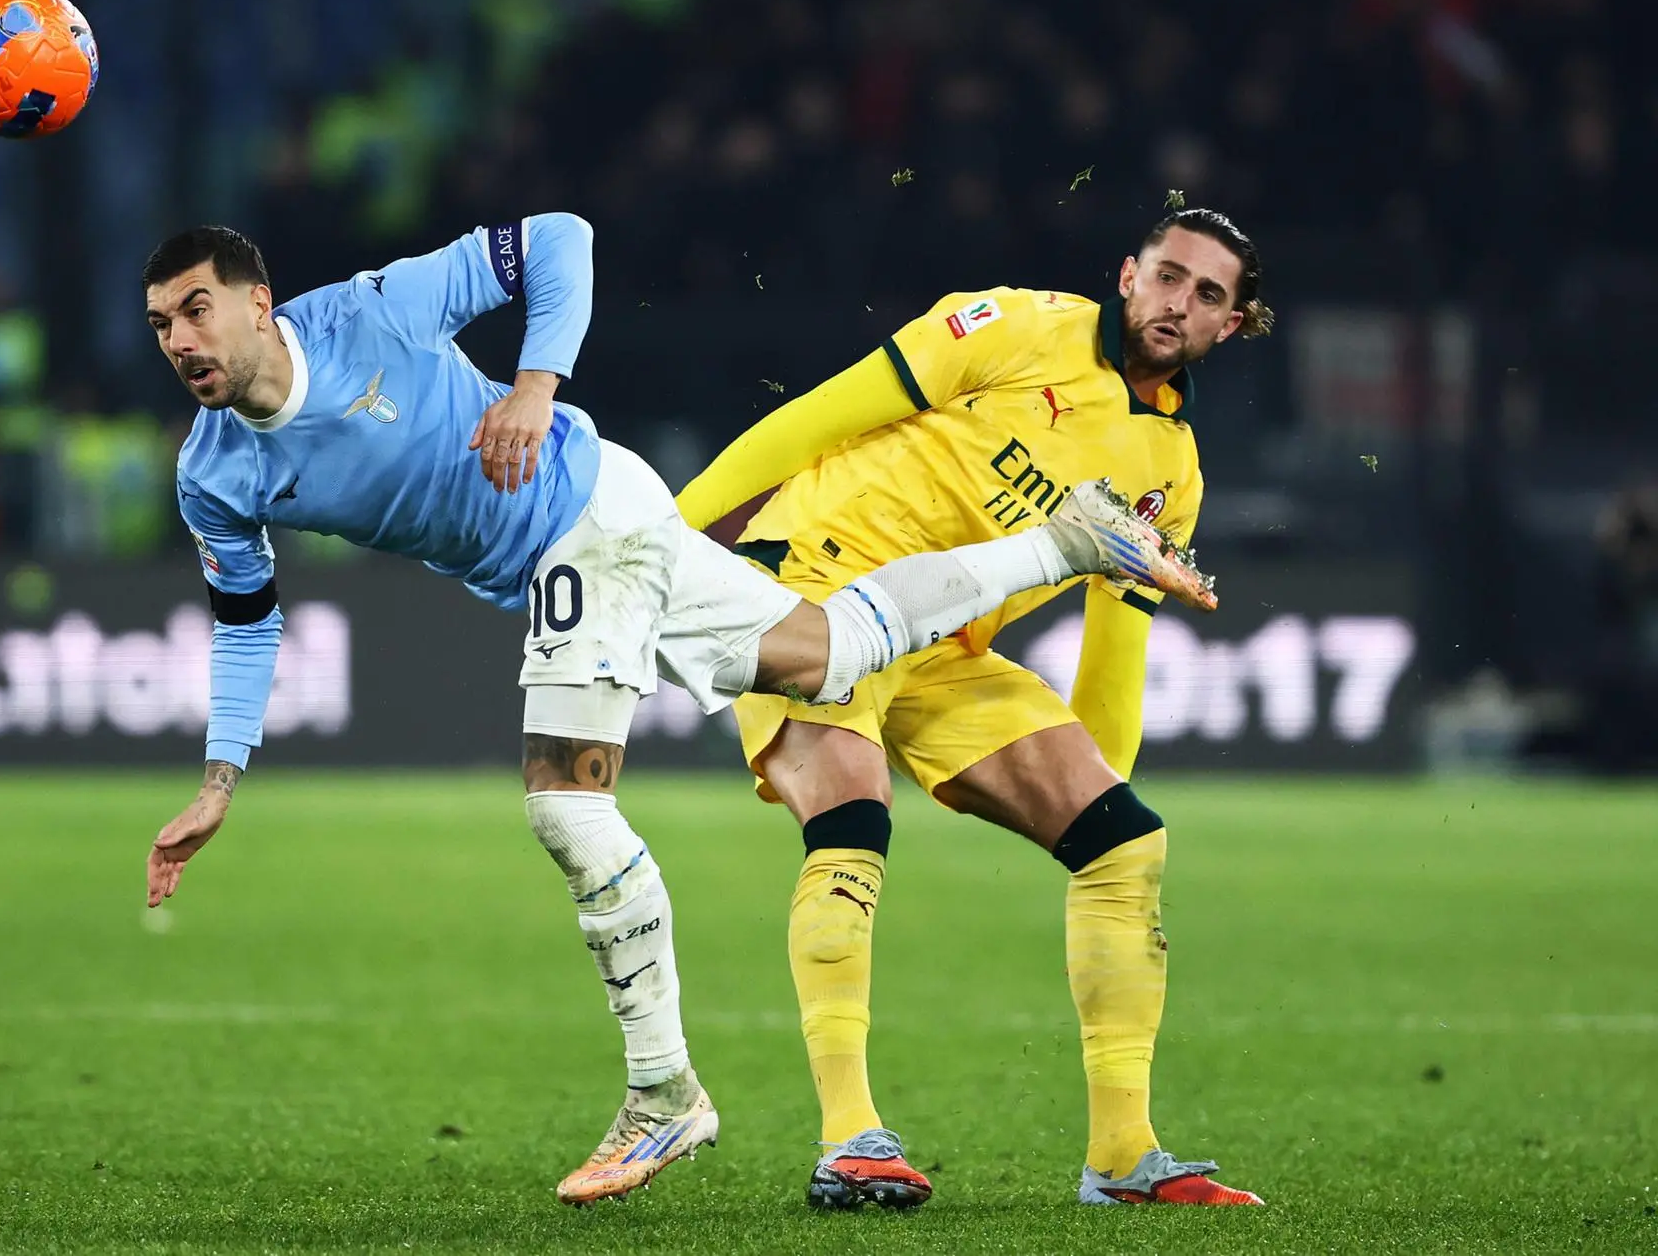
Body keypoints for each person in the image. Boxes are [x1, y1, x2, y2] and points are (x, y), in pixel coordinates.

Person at [135, 215, 1214, 1205]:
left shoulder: (369, 312)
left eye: (196, 309)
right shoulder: (212, 474)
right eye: (158, 325)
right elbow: (245, 620)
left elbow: (557, 238)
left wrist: (534, 384)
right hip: (621, 530)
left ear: (258, 303)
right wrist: (219, 776)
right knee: (831, 648)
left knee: (565, 804)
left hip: (587, 518)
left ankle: (663, 1096)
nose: (180, 340)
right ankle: (1067, 542)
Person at [674, 209, 1272, 1209]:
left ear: (1233, 324)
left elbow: (1113, 654)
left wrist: (1090, 803)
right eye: (1168, 275)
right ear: (1128, 275)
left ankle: (1123, 1158)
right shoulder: (1006, 325)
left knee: (1126, 844)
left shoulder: (1170, 472)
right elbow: (816, 417)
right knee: (854, 810)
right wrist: (670, 536)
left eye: (1208, 294)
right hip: (821, 586)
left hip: (947, 647)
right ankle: (848, 1138)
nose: (1179, 302)